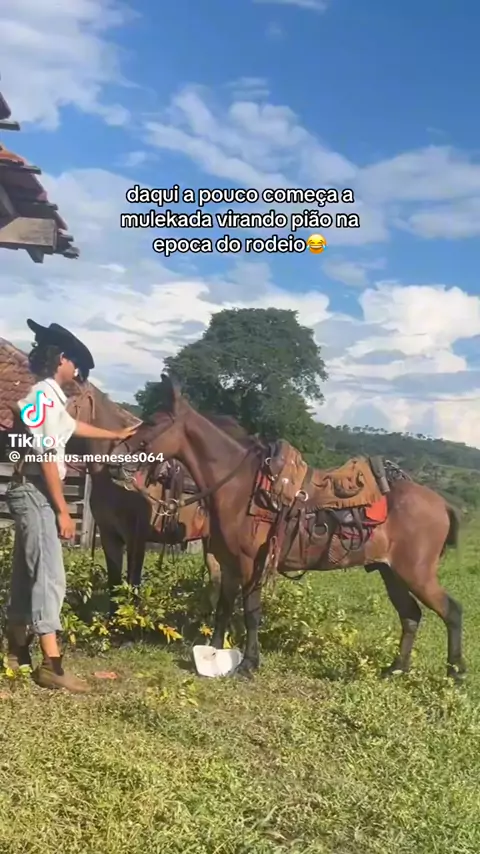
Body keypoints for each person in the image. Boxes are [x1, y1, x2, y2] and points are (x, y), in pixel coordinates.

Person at [5, 319, 138, 693]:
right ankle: (53, 666)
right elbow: (48, 455)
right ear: (62, 359)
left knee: (28, 573)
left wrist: (115, 433)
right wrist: (63, 510)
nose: (78, 372)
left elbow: (70, 427)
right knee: (50, 576)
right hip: (37, 492)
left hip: (28, 490)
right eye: (76, 363)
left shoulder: (44, 396)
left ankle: (16, 652)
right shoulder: (44, 397)